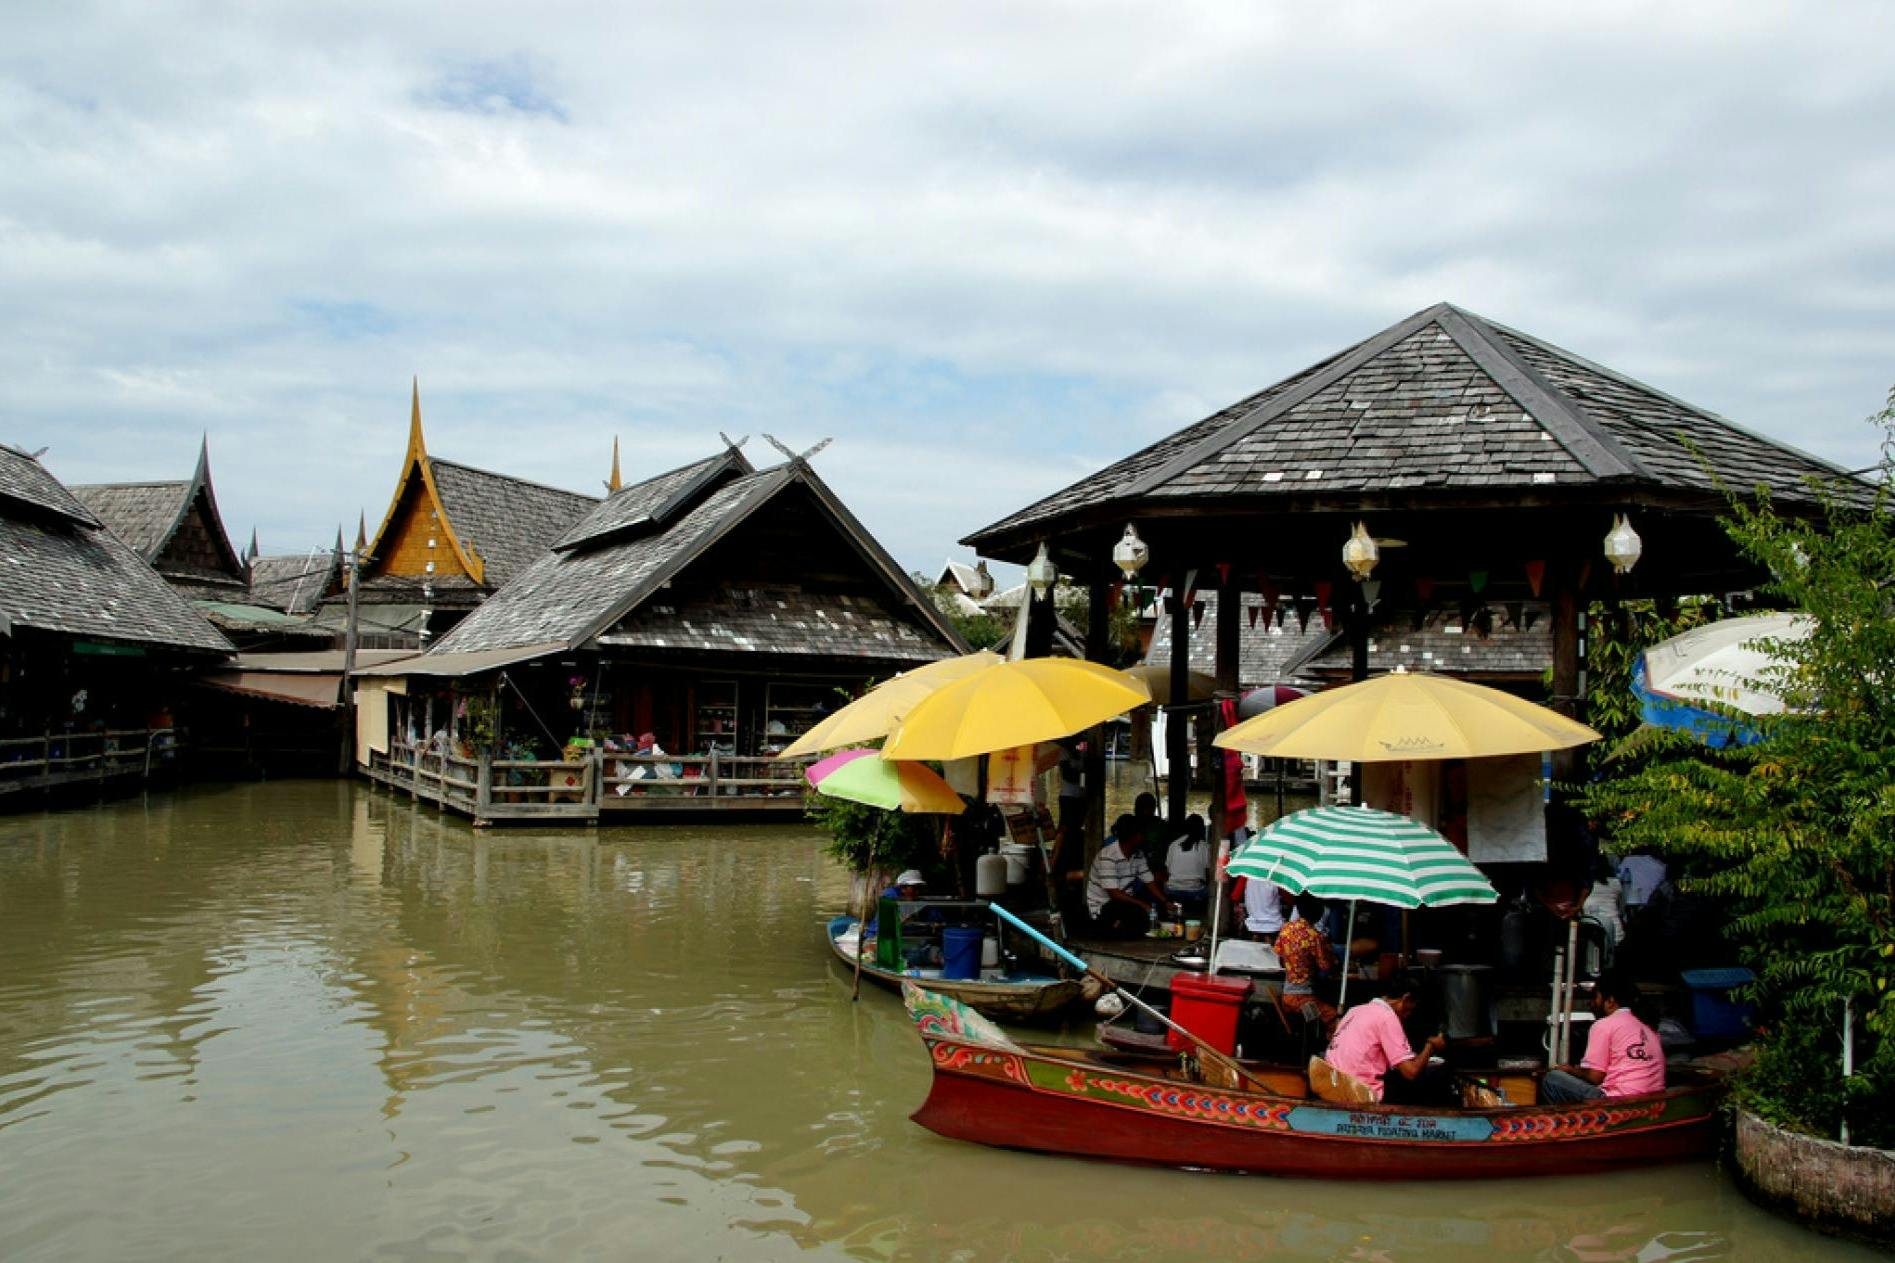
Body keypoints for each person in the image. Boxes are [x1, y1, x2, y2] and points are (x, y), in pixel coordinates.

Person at [1324, 973, 1448, 1103]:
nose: (1407, 1015)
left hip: (1333, 1084)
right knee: (1434, 1078)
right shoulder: (1387, 1017)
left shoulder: (1354, 1010)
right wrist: (1430, 1045)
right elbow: (1411, 1073)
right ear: (1406, 999)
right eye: (1410, 1010)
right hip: (1359, 1091)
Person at [1541, 972, 1665, 1103]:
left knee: (1552, 1079)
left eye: (1595, 998)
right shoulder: (1647, 1027)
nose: (1592, 1003)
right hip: (1653, 1099)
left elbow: (1595, 1077)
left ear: (1610, 1001)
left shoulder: (1604, 1024)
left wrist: (1570, 1070)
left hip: (1618, 1100)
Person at [1085, 815, 1175, 937]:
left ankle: (1127, 925)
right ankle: (1119, 926)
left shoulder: (1138, 854)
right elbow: (1115, 894)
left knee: (1153, 904)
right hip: (1104, 906)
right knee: (1134, 912)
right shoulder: (1107, 856)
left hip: (1127, 901)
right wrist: (1144, 906)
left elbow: (1149, 881)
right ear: (1132, 837)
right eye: (1141, 834)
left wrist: (1165, 901)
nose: (1144, 838)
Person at [1276, 893, 1339, 1031]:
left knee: (1316, 1018)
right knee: (1333, 1017)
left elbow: (1280, 958)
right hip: (1303, 1000)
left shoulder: (1286, 930)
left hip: (1286, 996)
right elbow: (1325, 966)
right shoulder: (1315, 936)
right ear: (1318, 913)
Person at [1162, 814, 1210, 915]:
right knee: (1211, 891)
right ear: (1201, 829)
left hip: (1173, 890)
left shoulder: (1174, 845)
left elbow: (1168, 871)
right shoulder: (1204, 846)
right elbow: (1208, 871)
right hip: (1195, 891)